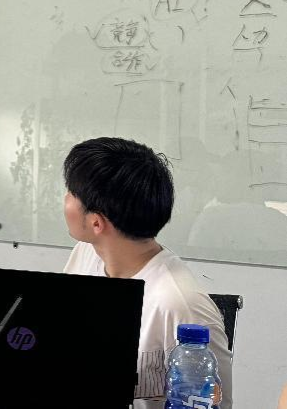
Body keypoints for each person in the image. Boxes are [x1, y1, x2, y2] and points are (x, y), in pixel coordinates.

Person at [61, 137, 232, 409]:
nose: (65, 199)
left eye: (71, 193)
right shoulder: (86, 254)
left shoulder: (181, 304)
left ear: (96, 223)